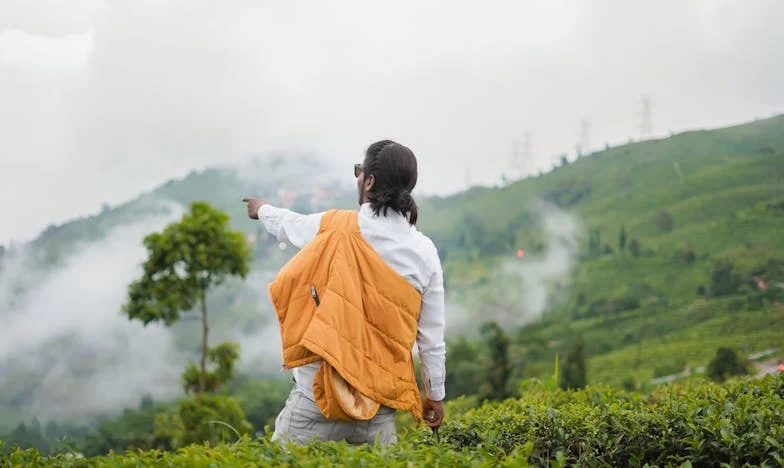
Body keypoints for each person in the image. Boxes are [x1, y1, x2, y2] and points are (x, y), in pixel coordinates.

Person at [242, 140, 446, 446]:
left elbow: (290, 224)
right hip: (380, 409)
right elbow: (431, 339)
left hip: (316, 402)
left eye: (358, 172)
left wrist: (262, 210)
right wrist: (435, 395)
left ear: (370, 181)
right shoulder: (424, 252)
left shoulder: (336, 227)